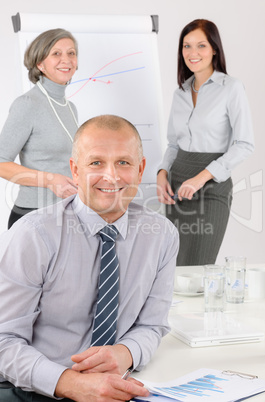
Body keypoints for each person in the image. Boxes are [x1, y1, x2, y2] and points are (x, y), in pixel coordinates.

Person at [0, 114, 179, 402]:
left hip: (118, 388)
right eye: (96, 162)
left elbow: (152, 325)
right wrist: (71, 384)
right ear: (75, 170)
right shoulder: (33, 235)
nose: (111, 176)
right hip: (37, 389)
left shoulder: (162, 236)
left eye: (124, 162)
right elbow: (3, 341)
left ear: (141, 169)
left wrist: (125, 353)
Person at [157, 19, 254, 266]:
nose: (193, 53)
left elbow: (244, 144)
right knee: (173, 266)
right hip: (177, 186)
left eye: (201, 45)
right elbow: (173, 144)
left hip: (211, 187)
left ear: (214, 49)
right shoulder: (179, 93)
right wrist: (161, 173)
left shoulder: (231, 88)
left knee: (200, 265)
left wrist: (201, 177)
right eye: (187, 46)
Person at [0, 28, 79, 229]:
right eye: (56, 54)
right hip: (34, 215)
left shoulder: (70, 108)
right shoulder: (28, 103)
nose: (67, 59)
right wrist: (50, 180)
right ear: (40, 64)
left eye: (71, 53)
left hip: (67, 212)